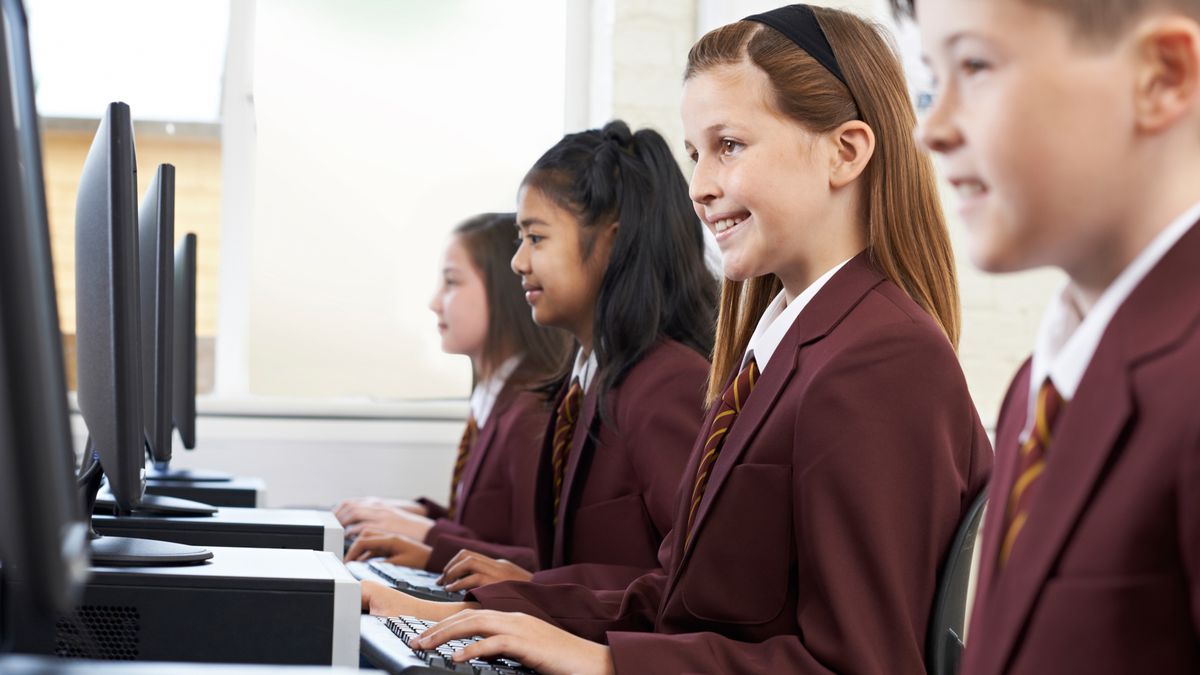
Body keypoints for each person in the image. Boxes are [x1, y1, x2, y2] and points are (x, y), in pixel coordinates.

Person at [363, 7, 992, 674]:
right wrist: (511, 613)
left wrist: (607, 665)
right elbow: (676, 601)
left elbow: (860, 663)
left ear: (845, 151)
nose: (698, 187)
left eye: (730, 145)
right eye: (696, 154)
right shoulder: (783, 348)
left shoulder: (880, 358)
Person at [899, 0, 1200, 671]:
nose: (932, 129)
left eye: (975, 65)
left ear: (1162, 75)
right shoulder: (1039, 386)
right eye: (931, 77)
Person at [349, 120, 718, 591]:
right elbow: (562, 563)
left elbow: (694, 589)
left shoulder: (667, 385)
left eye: (536, 238)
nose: (518, 262)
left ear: (611, 241)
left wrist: (531, 588)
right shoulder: (582, 386)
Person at [335, 212, 570, 572]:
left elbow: (537, 563)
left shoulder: (531, 413)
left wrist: (429, 534)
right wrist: (418, 515)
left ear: (504, 291)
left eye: (451, 282)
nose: (434, 302)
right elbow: (486, 527)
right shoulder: (496, 399)